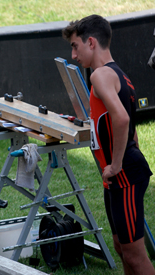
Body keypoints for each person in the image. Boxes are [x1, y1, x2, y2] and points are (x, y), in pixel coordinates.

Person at [62, 15, 154, 275]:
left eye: (75, 46)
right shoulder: (118, 74)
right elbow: (130, 129)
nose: (73, 55)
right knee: (121, 246)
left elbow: (122, 119)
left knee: (135, 256)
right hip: (119, 174)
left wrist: (115, 164)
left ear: (91, 42)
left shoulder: (100, 75)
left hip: (122, 173)